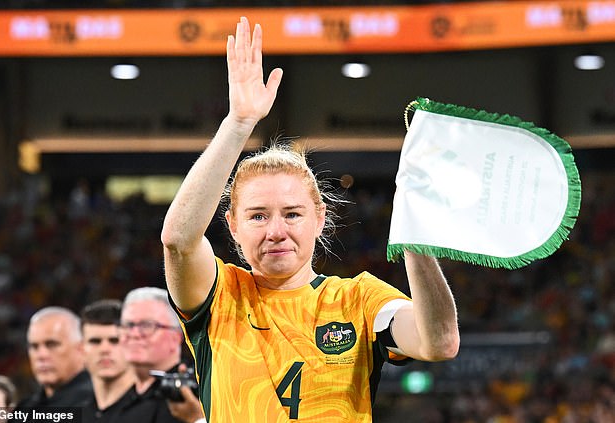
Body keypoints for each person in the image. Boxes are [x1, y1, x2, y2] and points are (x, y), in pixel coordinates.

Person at [161, 16, 460, 422]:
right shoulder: (220, 295)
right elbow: (179, 240)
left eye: (292, 213)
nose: (276, 231)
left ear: (320, 218)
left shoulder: (359, 300)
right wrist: (238, 124)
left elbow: (438, 342)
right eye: (257, 216)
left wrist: (416, 238)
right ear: (231, 225)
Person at [116, 287, 205, 423]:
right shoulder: (113, 396)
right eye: (128, 325)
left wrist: (197, 419)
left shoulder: (201, 392)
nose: (134, 334)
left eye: (147, 325)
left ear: (176, 337)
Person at [16, 306, 92, 408]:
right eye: (34, 346)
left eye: (52, 344)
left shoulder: (101, 405)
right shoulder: (24, 409)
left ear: (81, 349)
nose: (41, 355)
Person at [80, 299, 136, 422]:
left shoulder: (159, 409)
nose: (104, 349)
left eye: (114, 340)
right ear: (81, 349)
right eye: (95, 341)